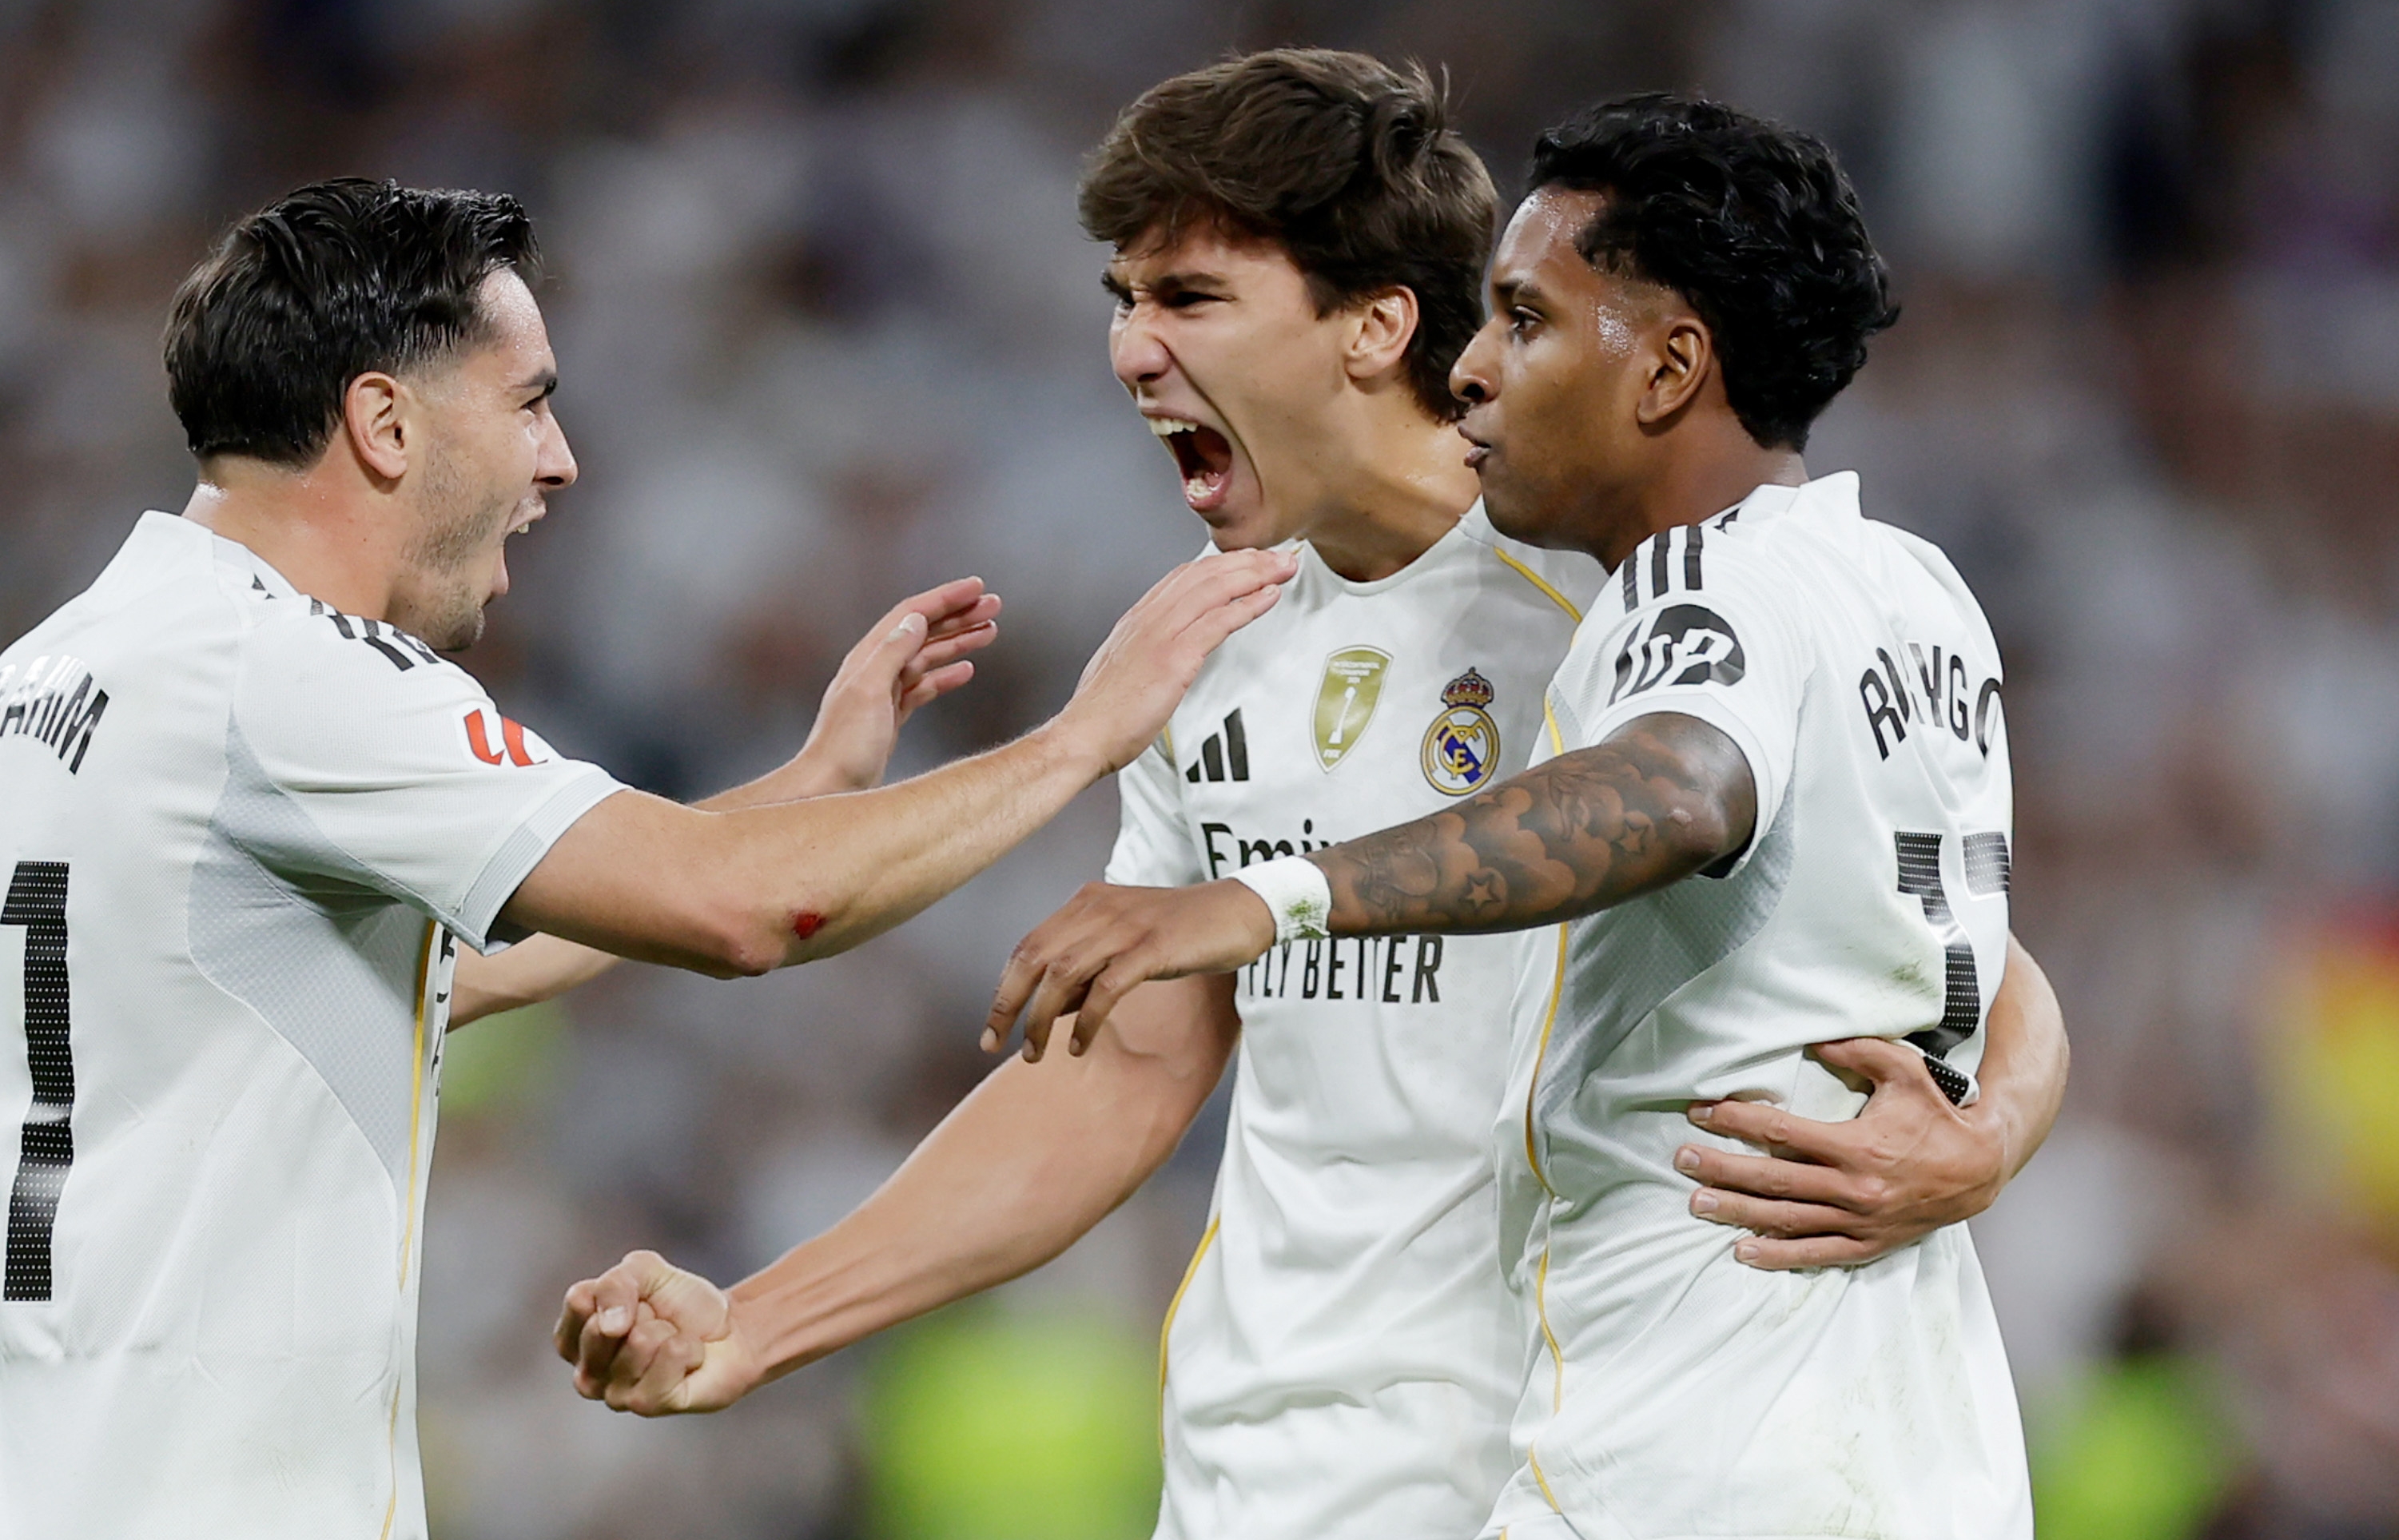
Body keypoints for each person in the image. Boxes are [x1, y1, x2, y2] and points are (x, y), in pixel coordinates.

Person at [555, 61, 2063, 1540]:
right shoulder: (1200, 645)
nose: (1131, 351)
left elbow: (1938, 937)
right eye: (1120, 303)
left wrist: (1986, 1135)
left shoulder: (1617, 587)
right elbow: (1123, 1066)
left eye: (1189, 298)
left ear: (1376, 325)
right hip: (1262, 1475)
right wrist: (757, 1324)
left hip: (1553, 1455)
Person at [0, 177, 1291, 1540]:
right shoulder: (292, 674)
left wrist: (808, 784)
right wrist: (1080, 738)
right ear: (382, 420)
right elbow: (743, 916)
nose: (559, 459)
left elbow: (408, 975)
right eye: (530, 401)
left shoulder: (69, 662)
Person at [969, 93, 2039, 1538]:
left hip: (1690, 1454)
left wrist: (1265, 897)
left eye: (1523, 322)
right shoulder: (1906, 587)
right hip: (1914, 1444)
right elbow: (1949, 940)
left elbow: (1673, 787)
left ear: (1667, 367)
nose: (1469, 373)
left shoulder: (1686, 591)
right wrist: (1996, 1128)